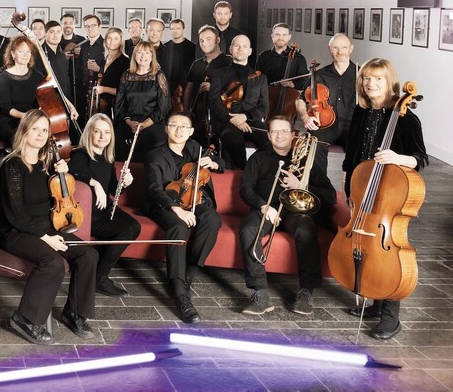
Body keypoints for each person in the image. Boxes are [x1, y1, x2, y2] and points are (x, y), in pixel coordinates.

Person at [340, 58, 427, 340]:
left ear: (389, 82)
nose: (370, 84)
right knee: (367, 245)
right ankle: (375, 301)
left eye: (377, 79)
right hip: (362, 187)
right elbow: (353, 152)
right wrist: (349, 185)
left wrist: (398, 157)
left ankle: (391, 316)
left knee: (387, 249)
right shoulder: (361, 111)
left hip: (391, 193)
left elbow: (420, 158)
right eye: (366, 78)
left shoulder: (406, 117)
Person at [0, 109, 98, 343]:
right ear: (24, 130)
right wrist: (46, 237)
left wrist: (64, 173)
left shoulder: (48, 163)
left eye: (45, 130)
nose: (41, 134)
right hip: (17, 231)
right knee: (52, 262)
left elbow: (62, 194)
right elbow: (16, 214)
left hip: (49, 227)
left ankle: (75, 313)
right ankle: (25, 318)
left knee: (89, 255)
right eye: (36, 128)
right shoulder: (12, 165)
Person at [238, 116, 337, 316]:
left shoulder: (306, 160)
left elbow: (330, 195)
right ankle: (260, 293)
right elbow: (245, 188)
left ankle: (306, 291)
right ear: (268, 135)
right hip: (265, 209)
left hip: (296, 211)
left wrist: (299, 185)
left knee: (305, 229)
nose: (279, 135)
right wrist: (263, 206)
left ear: (293, 135)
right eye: (274, 131)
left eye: (284, 131)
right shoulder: (258, 158)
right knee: (248, 229)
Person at [144, 112, 224, 323]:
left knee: (213, 219)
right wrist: (176, 209)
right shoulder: (154, 155)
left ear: (190, 132)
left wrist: (215, 164)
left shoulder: (195, 149)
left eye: (183, 127)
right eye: (174, 125)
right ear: (166, 128)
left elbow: (219, 162)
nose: (179, 130)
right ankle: (180, 293)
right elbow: (154, 189)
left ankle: (189, 274)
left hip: (193, 202)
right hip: (164, 205)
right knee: (179, 228)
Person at [68, 114, 141, 296]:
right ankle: (99, 278)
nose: (102, 136)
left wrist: (124, 183)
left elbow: (113, 190)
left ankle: (97, 274)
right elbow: (71, 175)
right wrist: (93, 182)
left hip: (105, 209)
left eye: (107, 132)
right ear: (89, 133)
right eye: (97, 131)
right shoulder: (80, 155)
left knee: (134, 227)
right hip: (87, 215)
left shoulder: (107, 160)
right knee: (125, 231)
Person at [294, 33, 358, 177]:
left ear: (351, 49)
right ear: (329, 49)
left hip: (352, 126)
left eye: (344, 47)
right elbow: (300, 99)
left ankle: (354, 188)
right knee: (314, 143)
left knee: (359, 149)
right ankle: (319, 186)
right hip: (326, 125)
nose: (340, 52)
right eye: (335, 47)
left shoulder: (361, 74)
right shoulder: (319, 75)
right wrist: (305, 117)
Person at [208, 34, 271, 170]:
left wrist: (245, 117)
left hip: (251, 121)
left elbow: (264, 107)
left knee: (269, 142)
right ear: (230, 49)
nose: (240, 49)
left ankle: (256, 169)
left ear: (250, 51)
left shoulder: (260, 77)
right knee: (233, 138)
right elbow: (213, 102)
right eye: (236, 45)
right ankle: (243, 172)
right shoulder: (219, 73)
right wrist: (233, 119)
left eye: (244, 46)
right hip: (226, 120)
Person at [114, 42, 171, 161]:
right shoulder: (126, 76)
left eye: (147, 52)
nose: (143, 56)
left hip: (152, 122)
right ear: (134, 55)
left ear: (152, 56)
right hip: (129, 122)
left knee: (147, 140)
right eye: (139, 52)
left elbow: (163, 107)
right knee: (116, 139)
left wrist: (144, 124)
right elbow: (119, 104)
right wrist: (129, 121)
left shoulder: (159, 76)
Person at [183, 25, 232, 147]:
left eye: (209, 39)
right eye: (201, 40)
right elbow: (189, 89)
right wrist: (186, 112)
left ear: (218, 40)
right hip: (197, 117)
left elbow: (234, 90)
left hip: (220, 117)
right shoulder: (196, 63)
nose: (204, 43)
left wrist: (214, 88)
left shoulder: (228, 62)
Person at [0, 36, 43, 146]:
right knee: (22, 135)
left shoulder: (35, 74)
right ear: (13, 54)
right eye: (21, 51)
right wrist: (25, 116)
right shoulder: (4, 77)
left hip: (29, 119)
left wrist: (71, 107)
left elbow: (52, 88)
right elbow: (6, 107)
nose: (25, 55)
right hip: (8, 120)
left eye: (28, 51)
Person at [256, 23, 308, 88]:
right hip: (267, 96)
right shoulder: (263, 57)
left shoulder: (299, 58)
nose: (280, 38)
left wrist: (293, 84)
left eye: (284, 35)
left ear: (289, 37)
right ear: (272, 36)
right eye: (277, 35)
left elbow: (305, 82)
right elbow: (257, 80)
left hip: (289, 96)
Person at [92, 27, 129, 117]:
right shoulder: (104, 58)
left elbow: (126, 91)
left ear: (121, 41)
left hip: (116, 107)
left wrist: (104, 89)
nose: (112, 41)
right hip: (102, 105)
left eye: (116, 38)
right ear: (105, 40)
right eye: (109, 38)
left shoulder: (125, 61)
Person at [77, 15, 106, 127]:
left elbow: (113, 69)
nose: (90, 28)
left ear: (99, 27)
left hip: (98, 93)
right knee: (81, 122)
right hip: (82, 91)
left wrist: (99, 69)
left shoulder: (106, 45)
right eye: (87, 26)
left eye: (93, 25)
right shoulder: (82, 45)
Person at [160, 19, 196, 101]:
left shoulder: (193, 47)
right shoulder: (164, 47)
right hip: (168, 88)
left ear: (183, 29)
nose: (175, 31)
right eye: (172, 29)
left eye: (178, 28)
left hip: (187, 87)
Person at [42, 21, 74, 102]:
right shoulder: (40, 54)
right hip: (47, 100)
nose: (56, 35)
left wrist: (69, 103)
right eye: (52, 32)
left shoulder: (62, 56)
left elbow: (66, 82)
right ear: (46, 34)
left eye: (58, 32)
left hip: (64, 100)